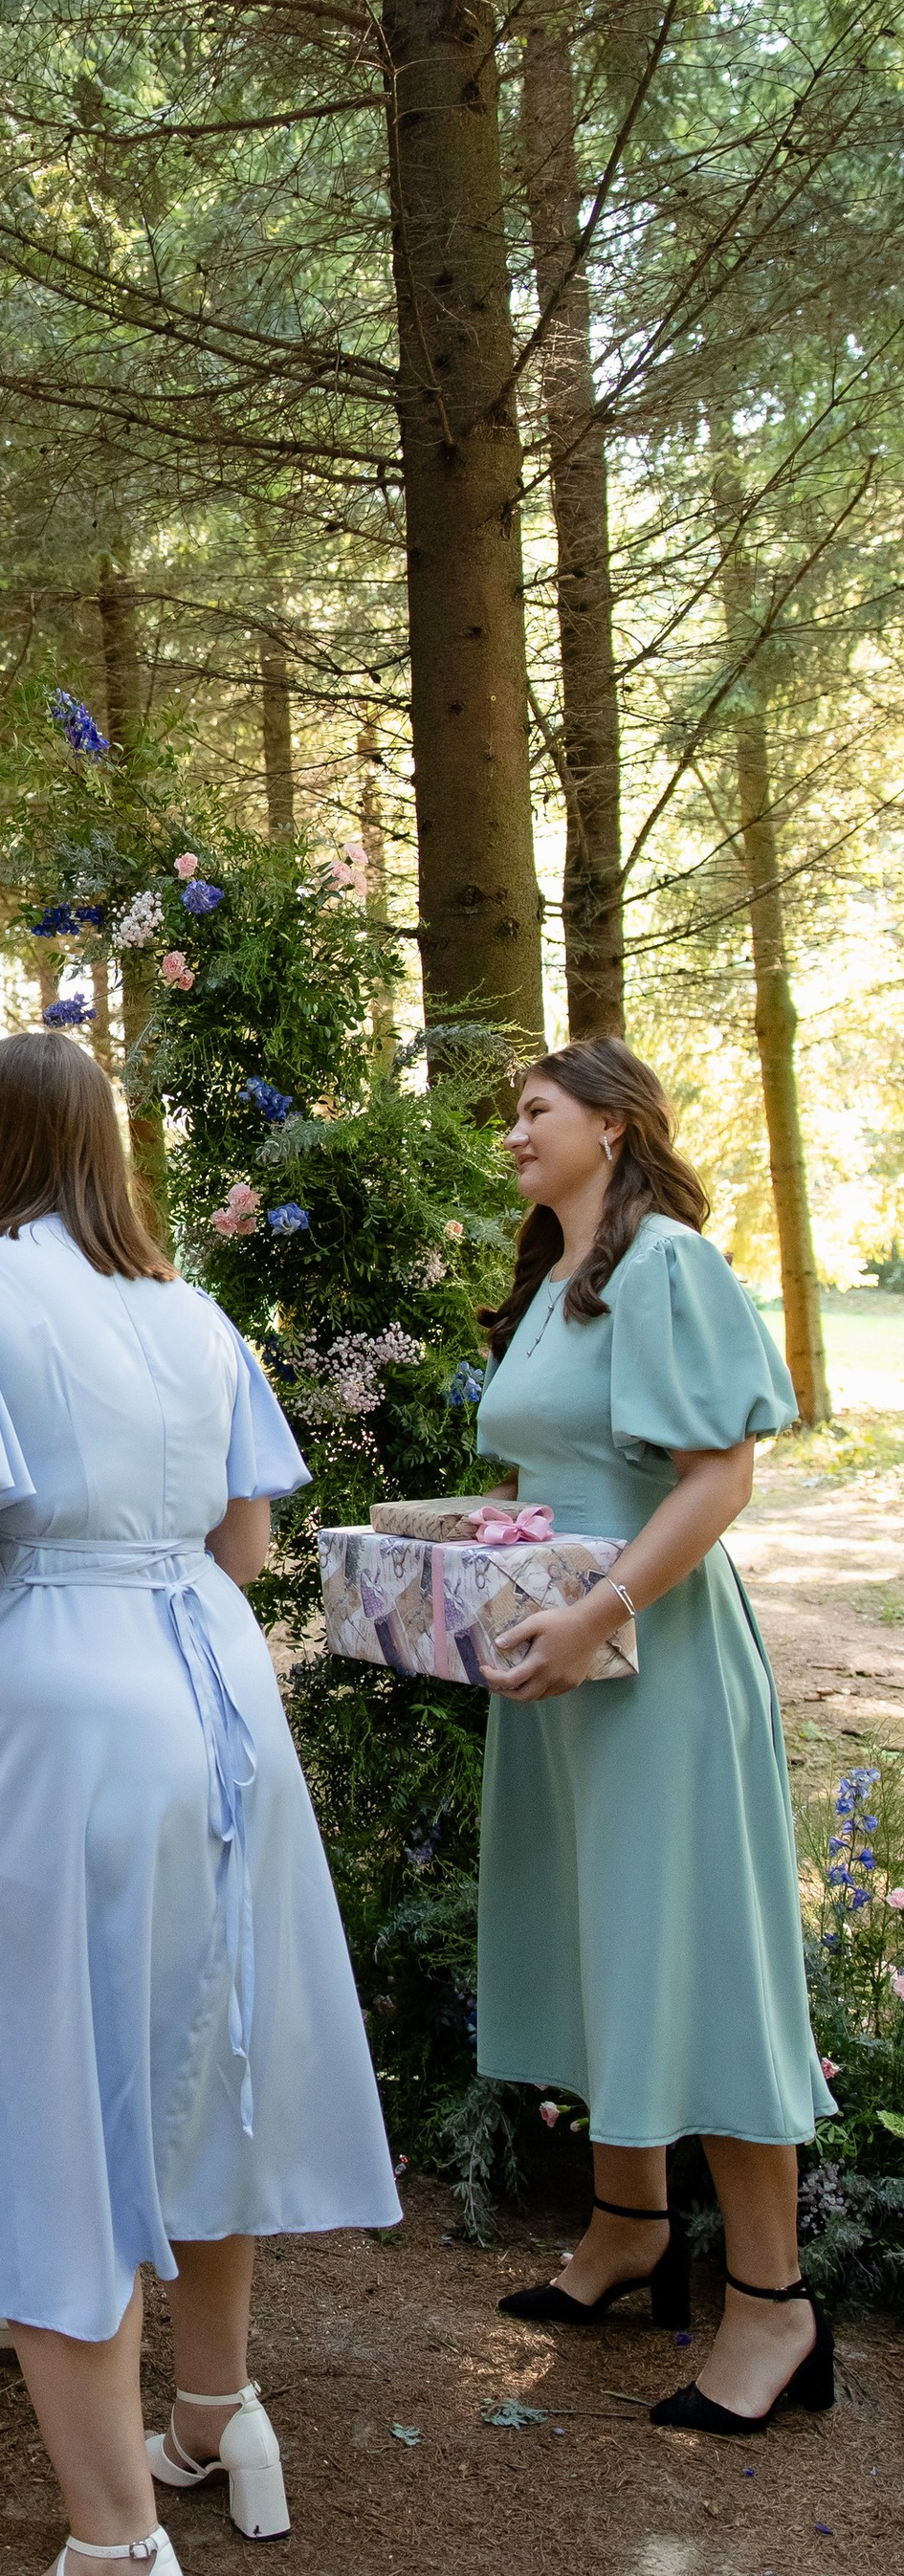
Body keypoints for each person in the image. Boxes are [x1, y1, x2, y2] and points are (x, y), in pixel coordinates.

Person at [0, 1029, 400, 2576]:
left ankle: (105, 2561)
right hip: (213, 1692)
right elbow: (246, 1542)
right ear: (110, 1153)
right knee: (194, 2062)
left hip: (59, 1710)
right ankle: (217, 2416)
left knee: (51, 2110)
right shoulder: (192, 1313)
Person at [473, 1040, 830, 2433]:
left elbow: (721, 1475)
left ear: (612, 1129)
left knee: (701, 1957)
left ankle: (775, 2305)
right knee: (604, 1940)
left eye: (535, 1112)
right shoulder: (559, 1286)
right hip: (565, 1673)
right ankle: (629, 2230)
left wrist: (599, 1608)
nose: (513, 1136)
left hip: (657, 1663)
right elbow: (548, 1476)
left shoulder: (667, 1261)